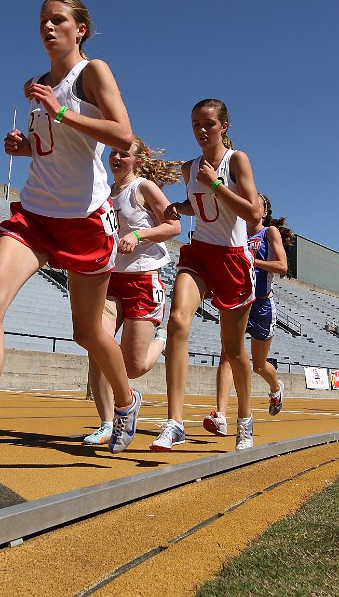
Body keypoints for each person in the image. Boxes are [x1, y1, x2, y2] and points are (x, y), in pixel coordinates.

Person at [0, 0, 142, 472]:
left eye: (58, 20)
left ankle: (125, 399)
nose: (48, 27)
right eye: (43, 20)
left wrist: (59, 113)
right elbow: (55, 150)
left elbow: (123, 135)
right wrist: (25, 146)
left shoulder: (92, 72)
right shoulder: (39, 84)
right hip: (36, 214)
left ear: (79, 28)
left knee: (87, 331)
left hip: (85, 220)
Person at [150, 98, 261, 453]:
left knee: (232, 350)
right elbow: (198, 208)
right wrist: (176, 207)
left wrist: (215, 185)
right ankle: (175, 421)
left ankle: (244, 419)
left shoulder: (236, 160)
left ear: (223, 126)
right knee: (178, 321)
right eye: (196, 123)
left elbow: (254, 215)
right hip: (198, 253)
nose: (201, 130)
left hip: (233, 258)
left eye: (208, 124)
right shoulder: (189, 168)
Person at [83, 136, 182, 445]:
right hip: (110, 278)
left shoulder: (143, 188)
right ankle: (106, 422)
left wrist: (139, 235)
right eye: (113, 152)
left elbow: (175, 226)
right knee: (98, 348)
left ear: (138, 160)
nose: (116, 158)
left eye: (123, 154)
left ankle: (160, 342)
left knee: (134, 366)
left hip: (143, 279)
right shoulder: (105, 193)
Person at [203, 193, 294, 436]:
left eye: (255, 204)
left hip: (262, 305)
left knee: (259, 366)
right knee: (227, 354)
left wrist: (252, 261)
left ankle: (275, 387)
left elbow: (283, 267)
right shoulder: (236, 234)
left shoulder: (269, 233)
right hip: (239, 301)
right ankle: (220, 415)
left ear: (263, 212)